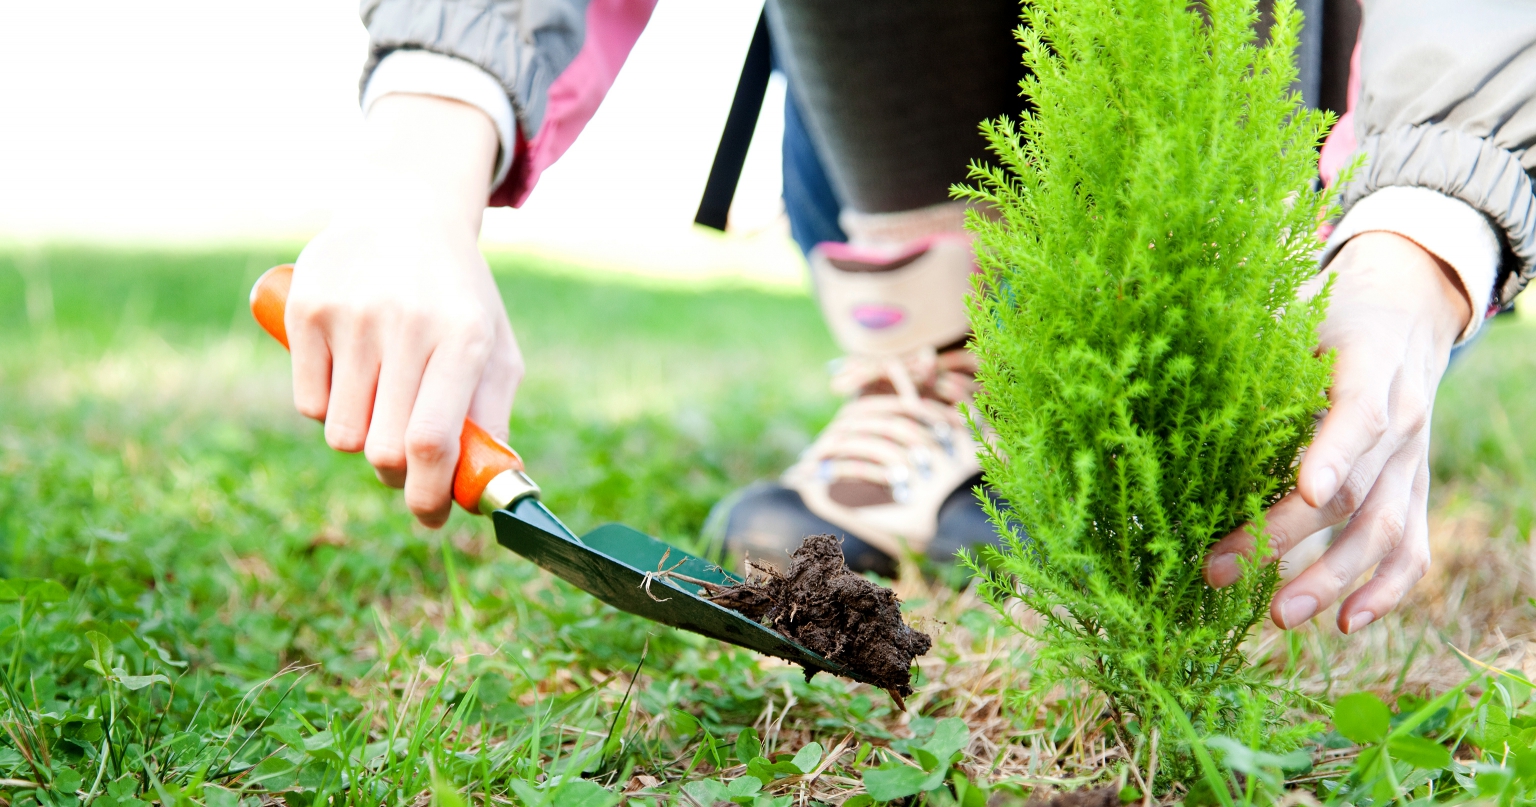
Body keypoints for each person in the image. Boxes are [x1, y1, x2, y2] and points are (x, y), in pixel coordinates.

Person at [287, 0, 1536, 635]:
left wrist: (1424, 246)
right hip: (897, 126)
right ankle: (943, 364)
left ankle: (1183, 383)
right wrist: (421, 167)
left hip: (1253, 123)